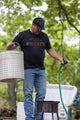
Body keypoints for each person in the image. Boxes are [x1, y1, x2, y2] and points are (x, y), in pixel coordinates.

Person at [6, 17, 65, 120]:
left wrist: (60, 59)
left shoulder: (44, 36)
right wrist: (9, 46)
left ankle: (38, 117)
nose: (40, 30)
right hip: (27, 69)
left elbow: (50, 50)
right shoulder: (22, 35)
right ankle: (29, 117)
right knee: (28, 93)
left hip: (41, 70)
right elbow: (12, 47)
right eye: (38, 28)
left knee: (41, 95)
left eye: (41, 28)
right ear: (33, 25)